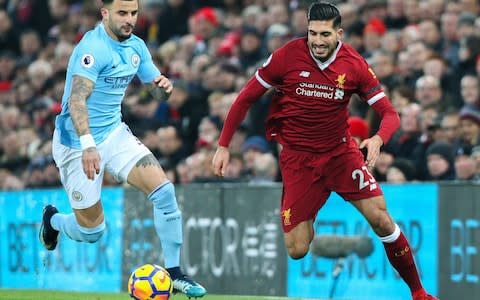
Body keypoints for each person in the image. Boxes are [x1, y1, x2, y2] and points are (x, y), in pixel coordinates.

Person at [212, 2, 437, 299]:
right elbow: (245, 98)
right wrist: (224, 145)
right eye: (312, 33)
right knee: (297, 250)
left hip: (340, 155)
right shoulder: (287, 56)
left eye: (324, 34)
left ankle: (419, 292)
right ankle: (309, 209)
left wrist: (378, 139)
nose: (317, 41)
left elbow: (390, 114)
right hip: (298, 159)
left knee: (382, 218)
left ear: (339, 34)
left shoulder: (354, 65)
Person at [39, 0, 206, 298]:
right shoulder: (92, 49)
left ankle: (175, 273)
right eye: (122, 13)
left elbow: (152, 87)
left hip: (114, 134)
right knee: (93, 232)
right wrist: (89, 145)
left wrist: (161, 88)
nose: (130, 19)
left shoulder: (137, 47)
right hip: (77, 143)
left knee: (164, 192)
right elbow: (77, 100)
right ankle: (53, 220)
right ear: (105, 13)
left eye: (134, 13)